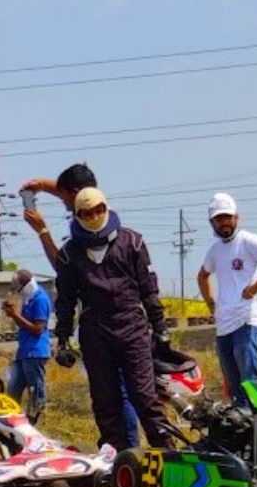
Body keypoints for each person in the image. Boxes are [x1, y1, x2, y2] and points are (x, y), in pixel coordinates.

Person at [20, 161, 141, 449]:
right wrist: (44, 184)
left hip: (106, 324)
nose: (64, 204)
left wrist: (42, 232)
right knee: (112, 391)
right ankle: (118, 447)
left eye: (64, 198)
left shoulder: (91, 230)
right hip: (117, 322)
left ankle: (127, 449)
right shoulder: (101, 216)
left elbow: (62, 267)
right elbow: (76, 191)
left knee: (116, 392)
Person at [54, 188, 171, 451]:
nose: (93, 216)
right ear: (77, 215)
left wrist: (160, 325)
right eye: (86, 213)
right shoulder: (68, 255)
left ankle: (168, 454)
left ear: (106, 208)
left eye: (98, 210)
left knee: (144, 397)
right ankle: (121, 460)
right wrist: (62, 340)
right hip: (96, 331)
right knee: (106, 402)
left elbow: (148, 289)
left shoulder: (133, 243)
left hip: (132, 326)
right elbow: (65, 301)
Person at [197, 192, 257, 399]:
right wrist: (212, 305)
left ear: (236, 218)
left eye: (228, 217)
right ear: (212, 222)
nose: (224, 223)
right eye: (219, 219)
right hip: (223, 326)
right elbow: (202, 276)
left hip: (245, 321)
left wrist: (254, 288)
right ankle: (242, 426)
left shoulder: (247, 240)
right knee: (233, 386)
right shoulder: (215, 250)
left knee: (250, 382)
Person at [3, 269, 52, 414]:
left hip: (35, 351)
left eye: (18, 290)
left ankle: (37, 417)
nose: (18, 293)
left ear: (26, 286)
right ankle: (12, 419)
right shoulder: (28, 300)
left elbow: (38, 329)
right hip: (24, 351)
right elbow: (24, 324)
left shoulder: (40, 299)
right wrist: (13, 315)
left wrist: (15, 315)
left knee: (35, 389)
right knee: (13, 388)